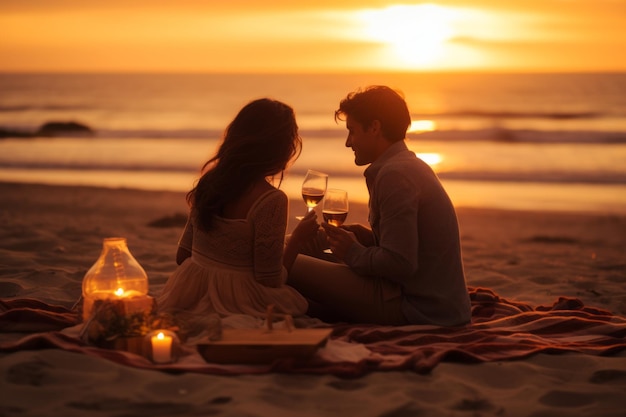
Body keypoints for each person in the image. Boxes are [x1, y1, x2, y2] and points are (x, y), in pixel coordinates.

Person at [288, 86, 471, 326]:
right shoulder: (404, 166)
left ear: (374, 127)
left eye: (351, 131)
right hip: (424, 299)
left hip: (416, 307)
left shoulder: (395, 175)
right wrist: (367, 238)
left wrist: (352, 251)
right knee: (294, 244)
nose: (347, 142)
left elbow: (400, 263)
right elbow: (410, 248)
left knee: (285, 259)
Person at [158, 98, 319, 324]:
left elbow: (182, 256)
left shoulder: (209, 183)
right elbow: (271, 280)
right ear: (280, 148)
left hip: (188, 295)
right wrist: (298, 239)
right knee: (312, 305)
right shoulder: (270, 199)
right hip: (242, 302)